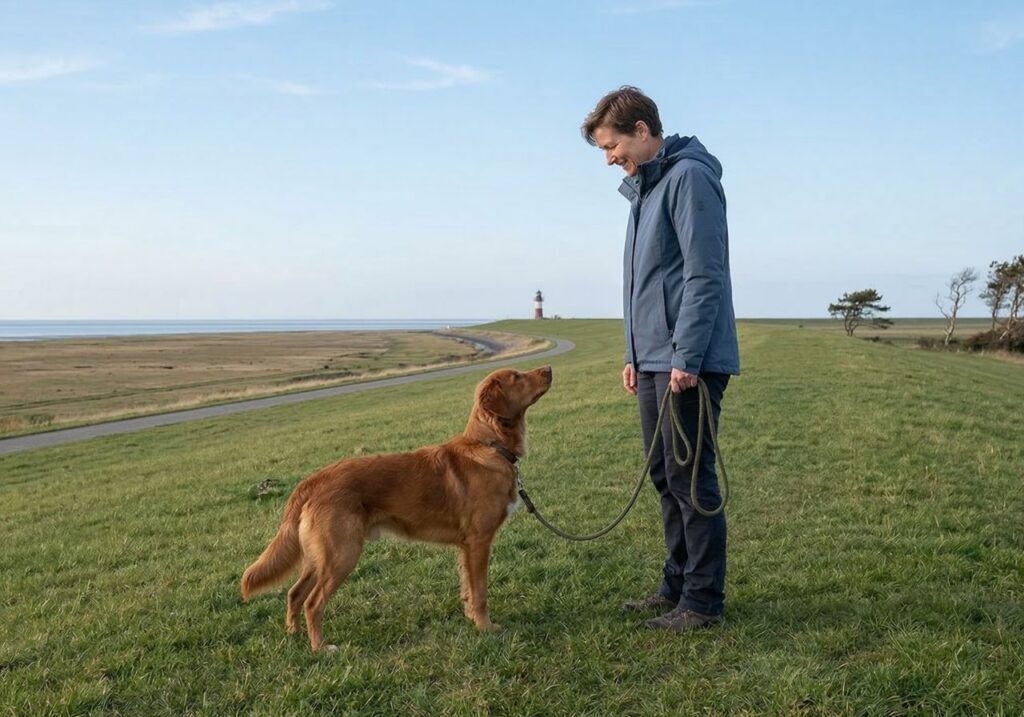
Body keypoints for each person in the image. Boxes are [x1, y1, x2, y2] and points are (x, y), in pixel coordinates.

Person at [582, 86, 740, 631]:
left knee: (690, 478)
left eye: (612, 146)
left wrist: (686, 356)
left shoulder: (689, 178)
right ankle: (675, 585)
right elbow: (645, 283)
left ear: (643, 130)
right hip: (653, 358)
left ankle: (701, 603)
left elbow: (703, 274)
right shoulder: (645, 188)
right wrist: (634, 352)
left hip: (686, 359)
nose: (609, 159)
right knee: (664, 474)